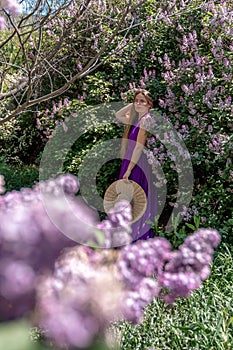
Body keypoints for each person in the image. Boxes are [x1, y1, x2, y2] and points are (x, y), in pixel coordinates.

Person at [115, 89, 157, 241]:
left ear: (149, 104)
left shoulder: (146, 119)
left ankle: (137, 237)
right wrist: (132, 105)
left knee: (134, 200)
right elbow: (118, 115)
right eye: (137, 100)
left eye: (142, 101)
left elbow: (139, 147)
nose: (139, 103)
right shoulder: (136, 119)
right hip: (129, 160)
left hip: (136, 164)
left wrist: (129, 169)